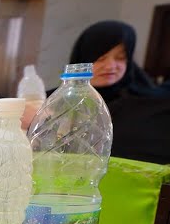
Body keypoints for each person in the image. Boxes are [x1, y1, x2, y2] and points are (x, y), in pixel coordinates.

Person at [67, 20, 170, 164]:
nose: (110, 66)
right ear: (83, 58)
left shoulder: (147, 102)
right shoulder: (57, 101)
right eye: (101, 58)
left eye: (120, 58)